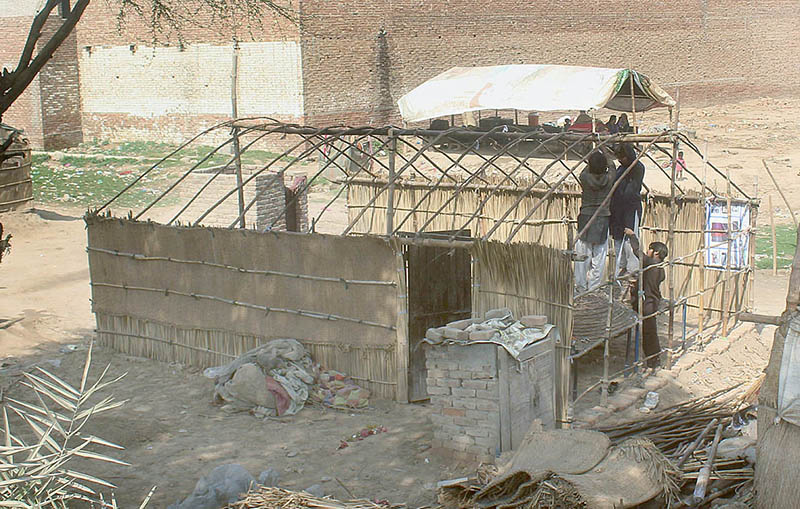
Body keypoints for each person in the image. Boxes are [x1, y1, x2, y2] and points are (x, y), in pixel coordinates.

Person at [624, 227, 668, 370]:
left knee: (649, 332)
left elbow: (638, 253)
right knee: (650, 330)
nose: (648, 252)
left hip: (647, 303)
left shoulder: (651, 264)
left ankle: (653, 360)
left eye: (650, 249)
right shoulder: (660, 269)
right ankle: (653, 359)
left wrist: (632, 236)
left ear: (655, 253)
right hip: (652, 301)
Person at [575, 150, 614, 293]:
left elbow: (584, 170)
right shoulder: (610, 179)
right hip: (602, 219)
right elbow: (613, 167)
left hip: (585, 218)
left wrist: (591, 154)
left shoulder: (585, 178)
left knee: (582, 254)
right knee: (599, 256)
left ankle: (580, 287)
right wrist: (606, 156)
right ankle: (594, 287)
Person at [610, 144, 645, 278]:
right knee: (618, 238)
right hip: (617, 208)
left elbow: (631, 190)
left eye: (622, 157)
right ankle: (621, 266)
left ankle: (632, 268)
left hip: (630, 207)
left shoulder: (637, 167)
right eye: (618, 157)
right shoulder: (620, 168)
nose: (620, 160)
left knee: (630, 237)